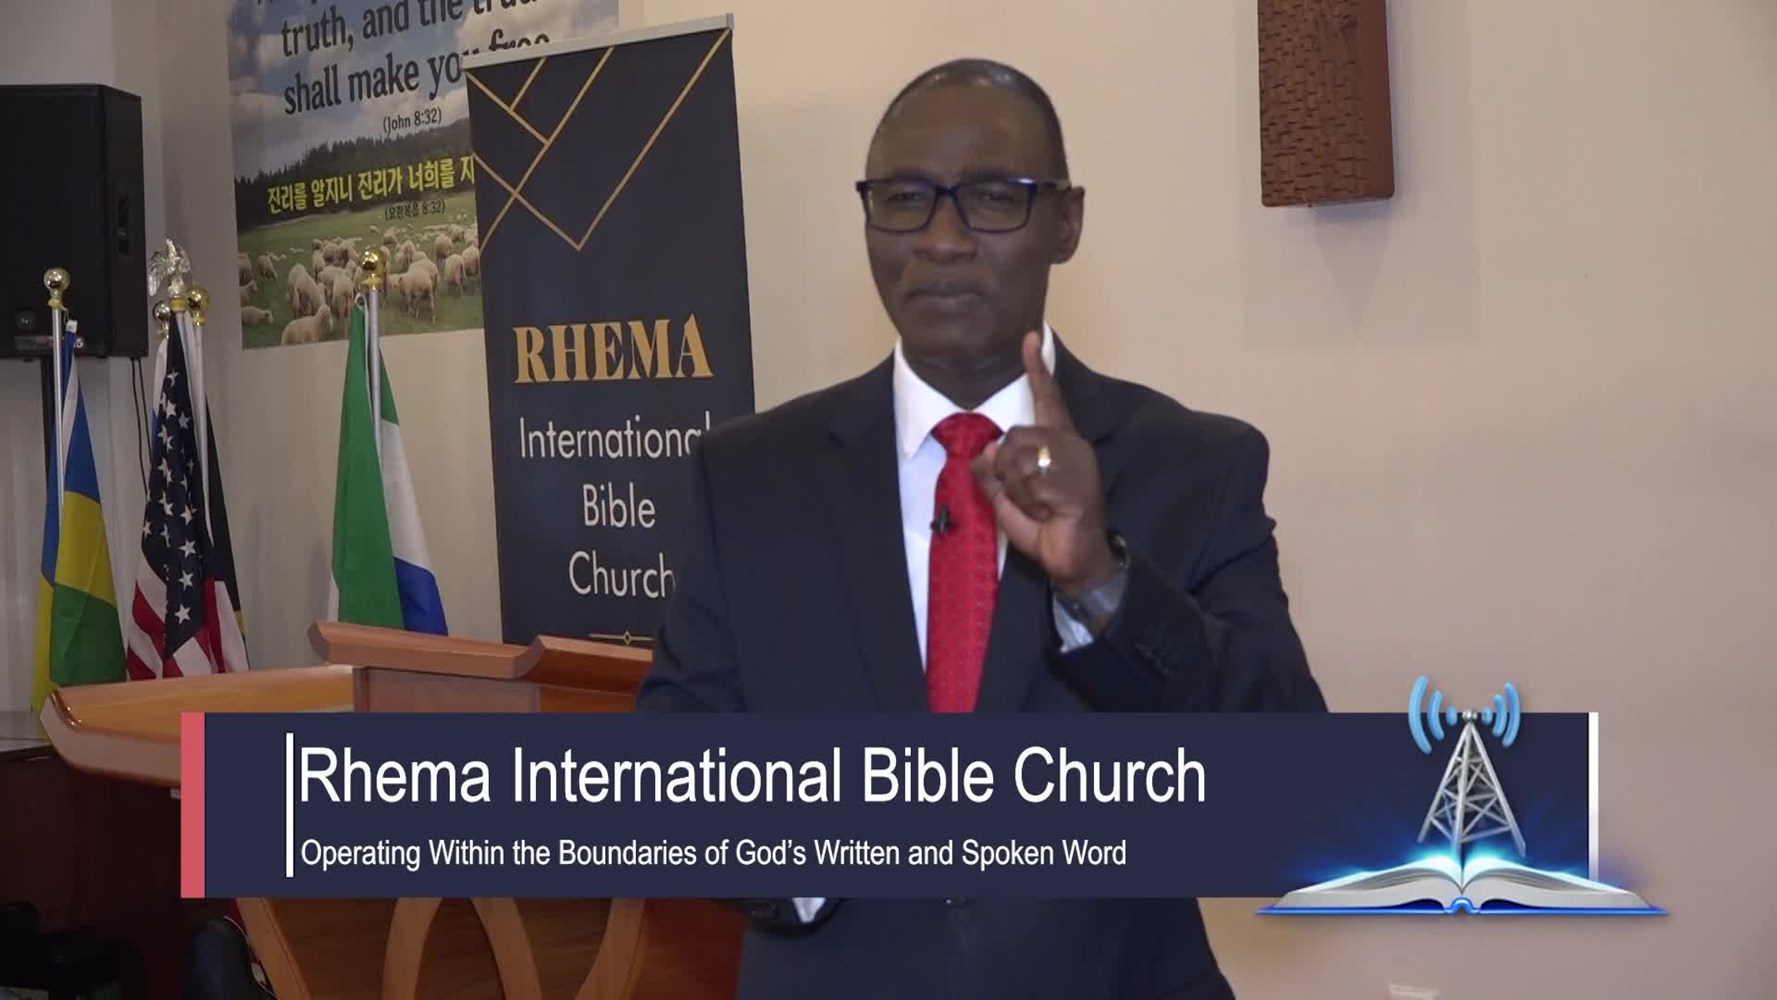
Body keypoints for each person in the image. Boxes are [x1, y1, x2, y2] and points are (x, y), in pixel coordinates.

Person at [637, 57, 1326, 1000]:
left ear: (1066, 222)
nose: (942, 240)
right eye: (903, 199)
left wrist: (1100, 584)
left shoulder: (1193, 467)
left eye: (993, 198)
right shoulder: (750, 475)